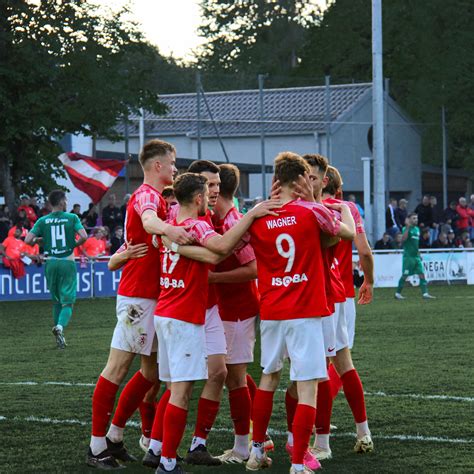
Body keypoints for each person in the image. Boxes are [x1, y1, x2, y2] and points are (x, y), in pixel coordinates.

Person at [150, 172, 278, 474]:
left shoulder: (169, 223)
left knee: (174, 388)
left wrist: (177, 247)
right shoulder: (197, 224)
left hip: (165, 313)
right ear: (197, 198)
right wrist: (253, 216)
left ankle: (164, 452)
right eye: (208, 190)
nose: (211, 196)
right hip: (184, 317)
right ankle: (167, 462)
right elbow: (220, 248)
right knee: (180, 393)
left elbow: (164, 239)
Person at [244, 152, 355, 474]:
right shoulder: (312, 212)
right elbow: (346, 233)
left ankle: (255, 450)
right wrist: (340, 207)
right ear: (302, 179)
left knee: (268, 378)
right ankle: (297, 465)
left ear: (276, 180)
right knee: (307, 387)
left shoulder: (259, 216)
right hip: (304, 311)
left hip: (272, 309)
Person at [86, 139, 193, 470]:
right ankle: (96, 446)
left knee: (150, 373)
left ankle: (115, 437)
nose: (175, 168)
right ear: (158, 166)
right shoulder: (147, 196)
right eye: (172, 163)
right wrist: (171, 232)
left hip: (152, 296)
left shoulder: (158, 199)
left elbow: (134, 239)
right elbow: (148, 224)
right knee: (117, 367)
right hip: (138, 298)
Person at [313, 165, 374, 460]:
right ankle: (363, 431)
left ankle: (321, 441)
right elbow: (364, 251)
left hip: (318, 297)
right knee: (342, 361)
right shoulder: (347, 207)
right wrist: (369, 282)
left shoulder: (309, 208)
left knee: (318, 366)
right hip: (343, 294)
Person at [210, 164, 261, 465]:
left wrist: (214, 279)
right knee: (231, 375)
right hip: (227, 308)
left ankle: (243, 447)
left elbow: (254, 268)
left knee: (235, 378)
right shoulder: (221, 219)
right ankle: (258, 433)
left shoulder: (234, 222)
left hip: (239, 308)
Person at [25, 190, 87, 347]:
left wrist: (39, 241)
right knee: (68, 302)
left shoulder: (42, 220)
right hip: (67, 262)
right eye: (65, 200)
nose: (66, 202)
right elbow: (84, 236)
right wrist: (73, 244)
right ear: (61, 202)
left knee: (56, 301)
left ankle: (59, 338)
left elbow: (28, 240)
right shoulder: (72, 217)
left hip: (51, 262)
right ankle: (59, 327)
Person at [395, 213, 435, 300]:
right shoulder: (405, 229)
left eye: (416, 218)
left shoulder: (417, 229)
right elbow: (403, 240)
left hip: (416, 257)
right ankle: (397, 293)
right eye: (413, 218)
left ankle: (425, 293)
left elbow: (415, 244)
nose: (416, 220)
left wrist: (419, 253)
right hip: (408, 258)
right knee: (405, 276)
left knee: (422, 274)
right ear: (409, 220)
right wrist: (408, 228)